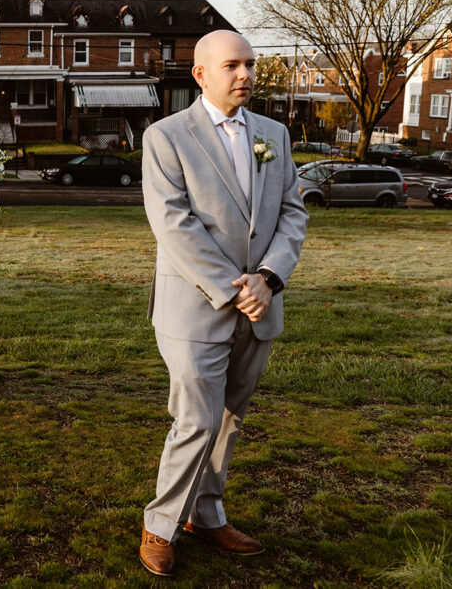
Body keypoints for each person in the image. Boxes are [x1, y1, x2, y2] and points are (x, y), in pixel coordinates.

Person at [138, 30, 308, 575]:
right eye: (233, 65)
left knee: (230, 419)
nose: (246, 75)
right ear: (201, 74)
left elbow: (292, 213)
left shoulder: (274, 134)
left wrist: (268, 279)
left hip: (261, 306)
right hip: (195, 308)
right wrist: (236, 289)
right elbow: (173, 224)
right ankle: (161, 524)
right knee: (196, 419)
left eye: (251, 65)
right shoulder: (166, 137)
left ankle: (207, 515)